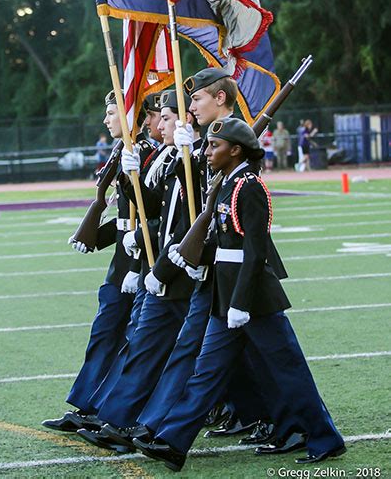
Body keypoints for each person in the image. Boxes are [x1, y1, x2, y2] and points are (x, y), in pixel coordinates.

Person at [133, 118, 346, 471]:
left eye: (215, 146)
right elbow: (217, 239)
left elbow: (255, 251)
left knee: (289, 370)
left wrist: (242, 303)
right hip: (224, 296)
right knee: (205, 371)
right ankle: (173, 441)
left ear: (235, 150)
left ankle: (326, 439)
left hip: (254, 300)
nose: (209, 152)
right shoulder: (225, 182)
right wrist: (186, 262)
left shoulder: (249, 186)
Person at [76, 89, 201, 451]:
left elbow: (184, 218)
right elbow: (145, 211)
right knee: (146, 345)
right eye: (158, 117)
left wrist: (144, 264)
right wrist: (129, 184)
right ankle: (111, 415)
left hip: (173, 269)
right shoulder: (158, 155)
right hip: (151, 265)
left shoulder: (193, 156)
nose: (158, 123)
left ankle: (128, 420)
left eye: (166, 116)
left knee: (180, 354)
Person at [42, 90, 157, 438]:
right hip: (122, 258)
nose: (106, 120)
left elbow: (152, 215)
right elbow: (123, 216)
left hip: (143, 260)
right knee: (105, 332)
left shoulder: (146, 154)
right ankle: (87, 405)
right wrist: (93, 236)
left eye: (111, 113)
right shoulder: (121, 152)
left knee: (134, 339)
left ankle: (115, 411)